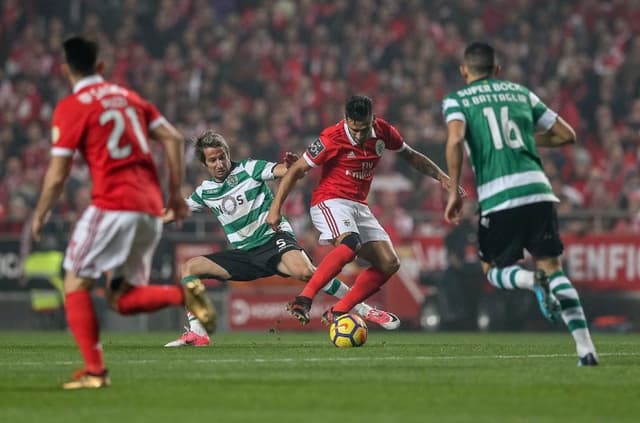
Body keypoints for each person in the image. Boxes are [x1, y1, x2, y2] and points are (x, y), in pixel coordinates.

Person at [31, 36, 215, 389]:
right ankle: (183, 294)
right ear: (100, 67)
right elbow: (174, 139)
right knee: (122, 297)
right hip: (148, 211)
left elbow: (57, 175)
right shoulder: (130, 98)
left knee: (74, 281)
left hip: (112, 205)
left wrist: (40, 214)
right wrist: (175, 196)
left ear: (64, 69)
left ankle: (96, 372)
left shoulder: (72, 105)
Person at [163, 130, 401, 346]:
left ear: (227, 153)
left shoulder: (248, 168)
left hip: (272, 240)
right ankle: (197, 334)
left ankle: (365, 310)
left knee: (307, 272)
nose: (220, 163)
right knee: (189, 268)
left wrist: (289, 166)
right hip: (244, 254)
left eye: (222, 156)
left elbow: (281, 171)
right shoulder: (205, 191)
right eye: (213, 160)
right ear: (204, 164)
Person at [442, 42, 598, 366]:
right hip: (539, 191)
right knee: (554, 269)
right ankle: (586, 350)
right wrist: (527, 138)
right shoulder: (520, 93)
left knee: (492, 270)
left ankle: (529, 280)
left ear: (464, 71)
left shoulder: (457, 100)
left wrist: (454, 190)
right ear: (498, 70)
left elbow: (456, 140)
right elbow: (566, 134)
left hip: (499, 195)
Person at [266, 95, 460, 326]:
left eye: (365, 129)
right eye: (355, 129)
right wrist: (275, 208)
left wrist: (441, 177)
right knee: (350, 244)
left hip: (359, 205)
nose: (359, 136)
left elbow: (410, 155)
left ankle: (338, 311)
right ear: (346, 120)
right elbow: (296, 169)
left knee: (390, 263)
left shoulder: (383, 131)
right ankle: (304, 299)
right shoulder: (332, 137)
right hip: (329, 201)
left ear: (373, 119)